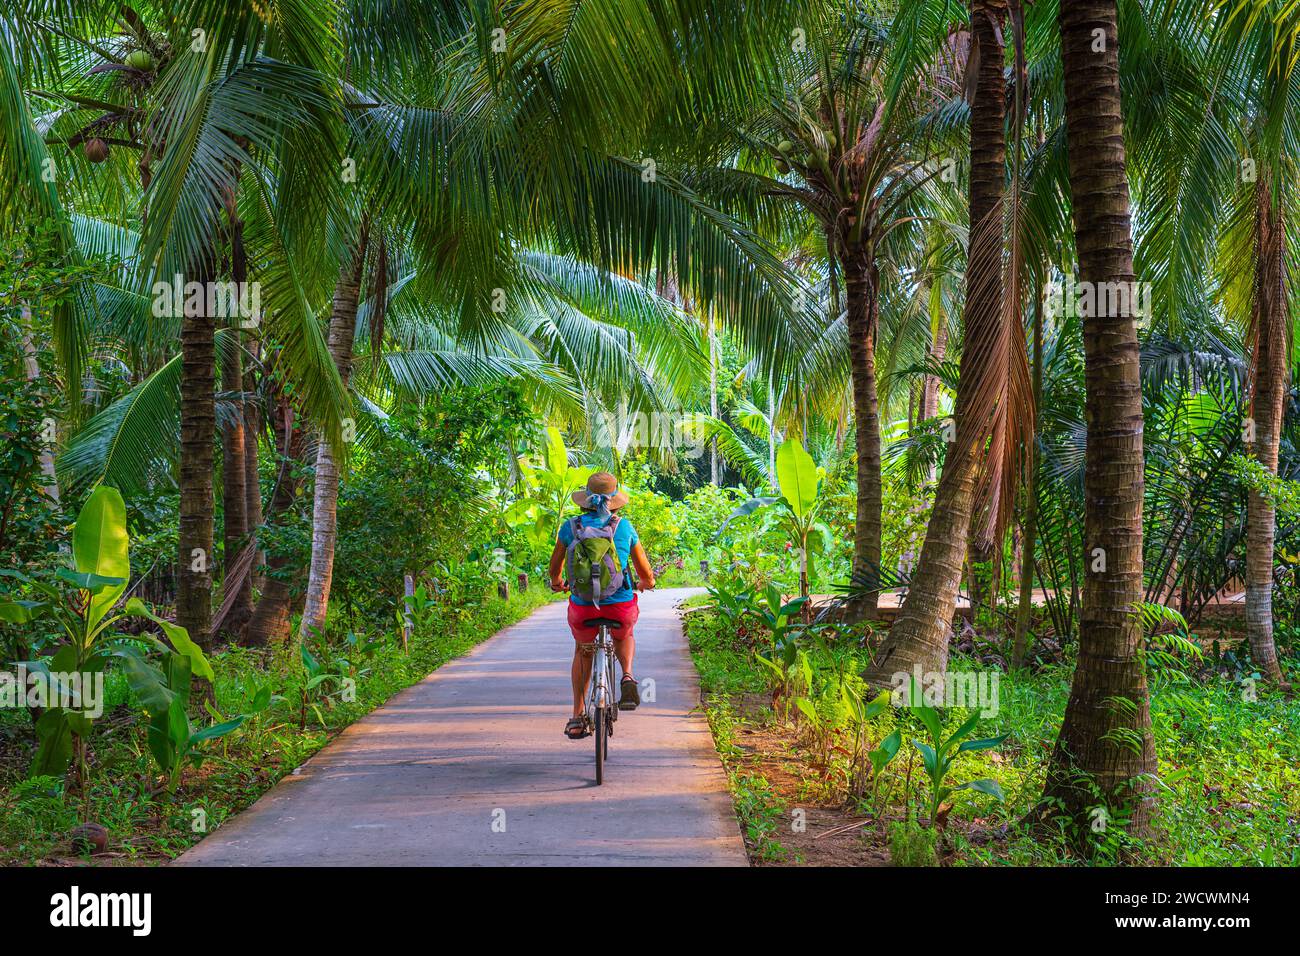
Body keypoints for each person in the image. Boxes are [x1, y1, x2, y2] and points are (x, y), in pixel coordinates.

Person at [548, 472, 655, 739]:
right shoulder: (624, 526)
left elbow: (555, 568)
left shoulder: (570, 527)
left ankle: (576, 716)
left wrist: (557, 582)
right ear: (615, 500)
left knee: (583, 650)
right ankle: (627, 675)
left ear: (585, 499)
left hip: (583, 607)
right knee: (624, 633)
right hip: (619, 605)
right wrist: (647, 583)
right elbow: (646, 573)